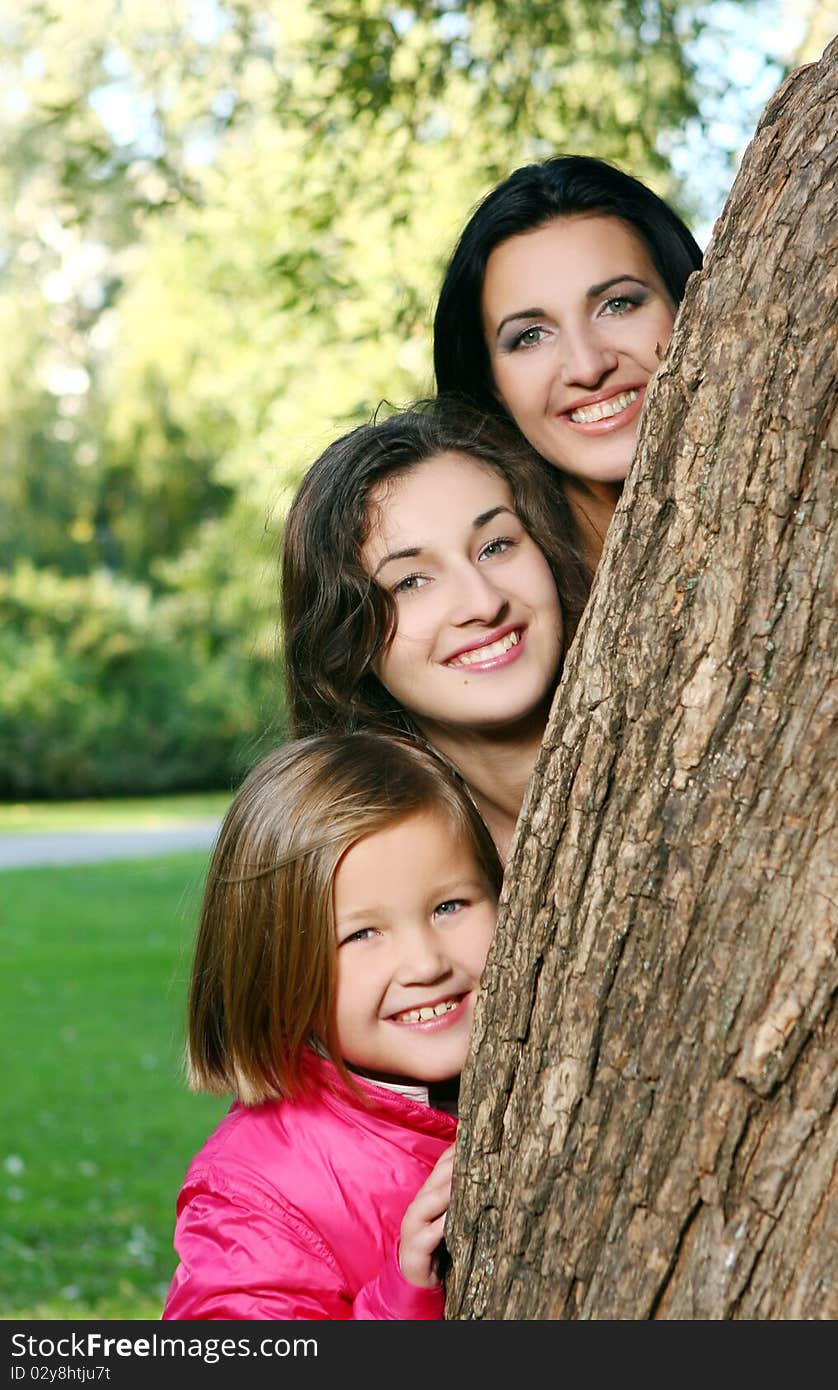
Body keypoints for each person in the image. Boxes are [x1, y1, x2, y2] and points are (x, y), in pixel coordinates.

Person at [163, 729, 503, 1320]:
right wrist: (402, 1298)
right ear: (276, 971)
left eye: (449, 906)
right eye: (362, 934)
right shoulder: (255, 1189)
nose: (426, 963)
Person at [281, 395, 590, 861]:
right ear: (346, 643)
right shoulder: (370, 880)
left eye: (496, 546)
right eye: (410, 582)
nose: (484, 603)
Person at [432, 154, 703, 574]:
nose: (587, 367)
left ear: (690, 304)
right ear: (492, 385)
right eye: (531, 336)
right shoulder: (504, 610)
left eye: (617, 305)